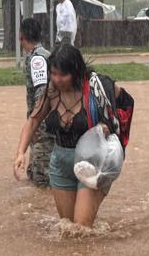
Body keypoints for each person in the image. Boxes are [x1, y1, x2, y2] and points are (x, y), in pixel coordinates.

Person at [14, 43, 121, 227]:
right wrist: (21, 153)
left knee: (81, 229)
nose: (57, 79)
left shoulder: (96, 88)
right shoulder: (51, 92)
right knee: (68, 229)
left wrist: (107, 125)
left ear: (76, 71)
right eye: (53, 73)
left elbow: (121, 101)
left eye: (63, 74)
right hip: (60, 165)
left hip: (92, 164)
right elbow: (32, 121)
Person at [19, 17, 53, 188]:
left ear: (21, 36)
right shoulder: (44, 55)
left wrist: (37, 126)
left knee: (41, 179)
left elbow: (42, 94)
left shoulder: (37, 59)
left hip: (42, 128)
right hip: (43, 126)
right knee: (35, 174)